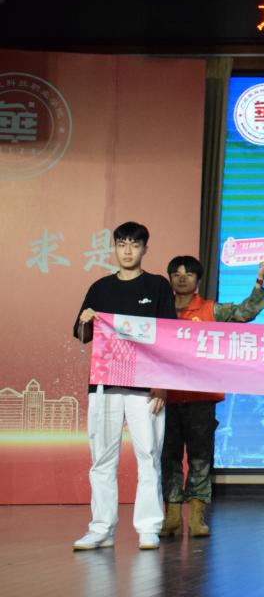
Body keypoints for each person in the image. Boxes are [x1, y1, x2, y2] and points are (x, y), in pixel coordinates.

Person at [71, 222, 177, 551]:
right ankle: (101, 528)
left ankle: (148, 527)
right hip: (105, 386)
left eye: (134, 244)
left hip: (146, 387)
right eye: (121, 244)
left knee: (149, 456)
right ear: (114, 248)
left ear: (145, 249)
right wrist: (86, 321)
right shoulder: (100, 287)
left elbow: (168, 337)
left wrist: (162, 384)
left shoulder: (157, 286)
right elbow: (82, 334)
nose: (127, 250)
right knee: (102, 459)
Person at [159, 255, 264, 539]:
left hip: (201, 397)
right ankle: (171, 516)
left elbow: (245, 312)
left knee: (200, 457)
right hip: (165, 396)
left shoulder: (211, 310)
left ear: (198, 280)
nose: (182, 278)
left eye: (188, 273)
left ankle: (197, 517)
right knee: (168, 457)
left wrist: (260, 279)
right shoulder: (159, 310)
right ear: (169, 278)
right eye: (176, 273)